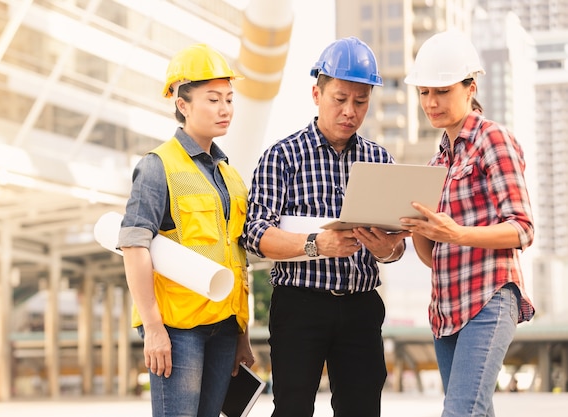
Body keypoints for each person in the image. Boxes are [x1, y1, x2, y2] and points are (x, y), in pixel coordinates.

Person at [243, 37, 410, 417]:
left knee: (363, 409)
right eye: (340, 99)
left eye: (361, 101)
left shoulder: (380, 160)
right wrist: (318, 244)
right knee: (293, 408)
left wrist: (388, 250)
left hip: (362, 308)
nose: (350, 111)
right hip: (300, 307)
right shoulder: (281, 156)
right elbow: (255, 235)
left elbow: (396, 246)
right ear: (316, 94)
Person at [402, 30, 535, 417]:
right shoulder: (435, 164)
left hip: (489, 298)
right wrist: (415, 228)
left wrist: (456, 233)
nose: (431, 102)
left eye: (441, 91)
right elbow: (433, 256)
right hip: (446, 309)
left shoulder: (493, 139)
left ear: (470, 87)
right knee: (475, 411)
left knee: (461, 412)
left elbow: (523, 227)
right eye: (424, 92)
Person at [117, 43, 254, 417]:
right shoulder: (157, 167)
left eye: (229, 98)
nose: (225, 108)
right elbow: (134, 247)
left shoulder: (231, 177)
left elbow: (236, 257)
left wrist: (241, 334)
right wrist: (154, 328)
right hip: (178, 331)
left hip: (223, 328)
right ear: (183, 104)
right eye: (213, 99)